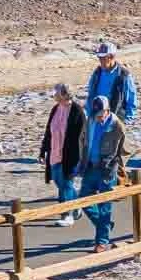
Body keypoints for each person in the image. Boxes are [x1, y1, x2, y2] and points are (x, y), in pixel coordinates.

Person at [79, 94, 128, 253]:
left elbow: (125, 150)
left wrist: (115, 165)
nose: (98, 118)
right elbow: (84, 142)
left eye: (101, 115)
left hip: (107, 170)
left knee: (104, 206)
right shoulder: (90, 120)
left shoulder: (117, 125)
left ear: (107, 111)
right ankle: (104, 225)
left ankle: (102, 241)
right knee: (83, 200)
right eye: (96, 114)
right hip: (90, 167)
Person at [37, 82, 84, 227]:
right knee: (60, 182)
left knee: (65, 184)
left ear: (64, 94)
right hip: (55, 152)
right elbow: (48, 131)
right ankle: (77, 205)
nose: (54, 95)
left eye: (56, 92)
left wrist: (79, 157)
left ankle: (66, 214)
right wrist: (43, 150)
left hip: (70, 155)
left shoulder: (77, 111)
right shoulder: (56, 109)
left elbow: (82, 137)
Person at [85, 41, 138, 122]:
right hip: (97, 117)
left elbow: (131, 100)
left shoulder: (124, 75)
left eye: (103, 58)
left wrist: (128, 120)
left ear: (111, 57)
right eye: (99, 58)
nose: (100, 60)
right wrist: (89, 116)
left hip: (116, 119)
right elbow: (90, 95)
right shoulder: (97, 73)